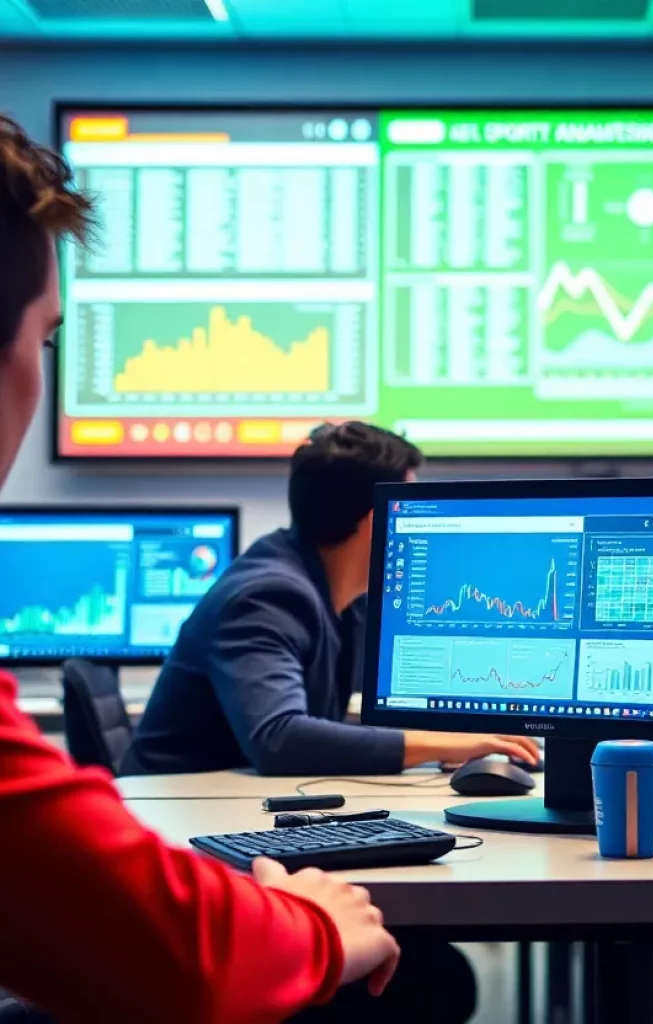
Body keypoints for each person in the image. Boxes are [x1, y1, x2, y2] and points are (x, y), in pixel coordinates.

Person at [0, 114, 400, 1022]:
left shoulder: (332, 602)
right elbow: (183, 956)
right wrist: (312, 921)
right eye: (48, 340)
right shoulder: (272, 589)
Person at [120, 420, 540, 778]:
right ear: (379, 521)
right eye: (412, 510)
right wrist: (442, 744)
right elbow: (279, 738)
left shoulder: (342, 594)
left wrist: (466, 734)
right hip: (176, 821)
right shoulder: (266, 597)